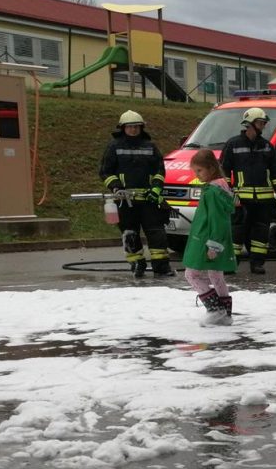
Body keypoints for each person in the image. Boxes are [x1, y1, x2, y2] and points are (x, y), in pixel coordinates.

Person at [99, 110, 173, 278]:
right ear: (123, 128)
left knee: (156, 233)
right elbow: (105, 172)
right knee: (129, 234)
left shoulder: (150, 147)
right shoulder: (114, 146)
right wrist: (116, 187)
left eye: (136, 126)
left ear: (141, 128)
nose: (133, 130)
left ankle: (161, 268)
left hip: (148, 199)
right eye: (130, 127)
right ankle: (137, 264)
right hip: (125, 200)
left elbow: (159, 171)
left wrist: (156, 189)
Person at [221, 107, 276, 275]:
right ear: (250, 124)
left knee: (261, 233)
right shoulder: (233, 144)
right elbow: (224, 170)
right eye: (260, 123)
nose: (263, 126)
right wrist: (229, 191)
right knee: (236, 233)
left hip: (264, 200)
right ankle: (231, 263)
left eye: (264, 123)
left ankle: (257, 264)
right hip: (240, 199)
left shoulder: (267, 147)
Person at [181, 149, 237, 326]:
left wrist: (213, 246)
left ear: (211, 169)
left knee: (191, 274)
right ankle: (225, 315)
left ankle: (216, 310)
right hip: (214, 239)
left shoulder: (212, 192)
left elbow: (217, 221)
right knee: (215, 274)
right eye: (194, 171)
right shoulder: (220, 189)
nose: (197, 175)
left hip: (208, 240)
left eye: (200, 171)